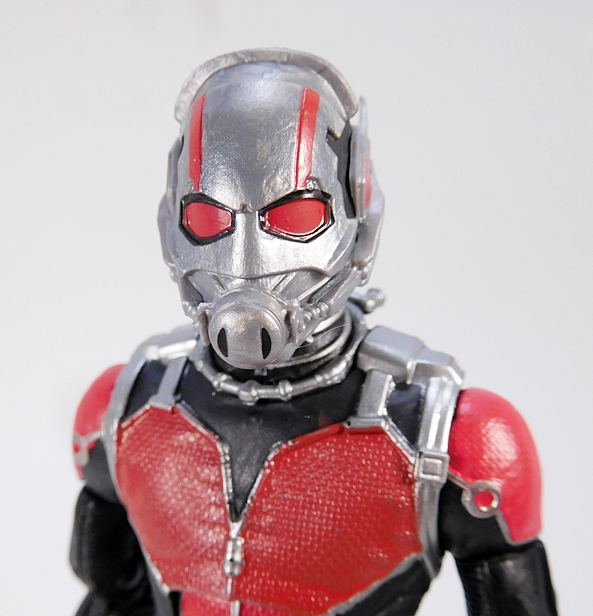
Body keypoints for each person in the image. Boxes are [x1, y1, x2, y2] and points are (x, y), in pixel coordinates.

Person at [70, 49, 558, 616]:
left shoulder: (453, 439)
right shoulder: (124, 413)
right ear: (172, 222)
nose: (246, 258)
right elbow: (109, 600)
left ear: (359, 217)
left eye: (293, 216)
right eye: (210, 218)